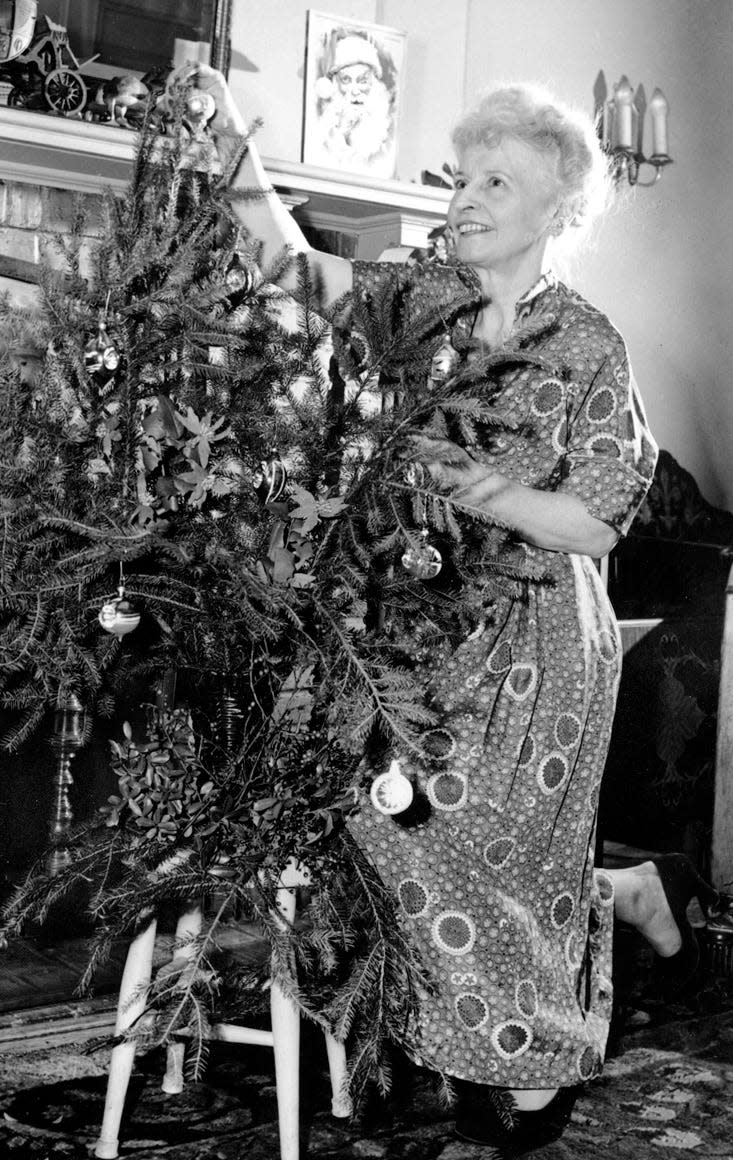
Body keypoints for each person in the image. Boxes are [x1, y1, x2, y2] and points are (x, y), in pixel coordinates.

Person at [178, 64, 733, 1155]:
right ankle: (615, 897)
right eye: (461, 177)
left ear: (555, 210)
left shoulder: (585, 343)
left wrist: (479, 489)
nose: (465, 198)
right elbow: (295, 270)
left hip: (536, 634)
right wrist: (222, 131)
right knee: (389, 821)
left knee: (499, 848)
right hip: (414, 626)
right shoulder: (414, 297)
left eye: (496, 182)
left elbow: (597, 521)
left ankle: (529, 1052)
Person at [308, 32, 396, 176]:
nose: (355, 90)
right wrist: (342, 131)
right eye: (347, 80)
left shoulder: (384, 135)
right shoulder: (323, 131)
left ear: (373, 83)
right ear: (336, 84)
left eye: (362, 81)